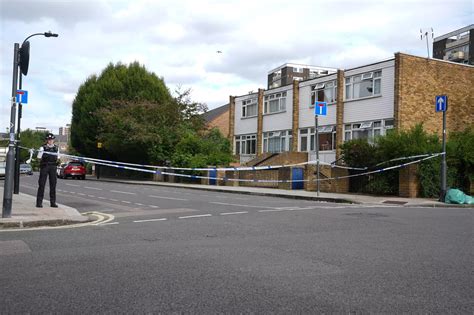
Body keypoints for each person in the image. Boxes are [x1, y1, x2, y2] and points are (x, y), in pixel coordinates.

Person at [36, 133, 59, 208]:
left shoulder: (56, 148)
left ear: (53, 140)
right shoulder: (42, 148)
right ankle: (39, 203)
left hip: (53, 167)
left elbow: (58, 158)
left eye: (51, 139)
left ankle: (53, 202)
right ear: (47, 140)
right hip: (45, 166)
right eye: (49, 140)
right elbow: (39, 157)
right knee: (42, 184)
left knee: (53, 185)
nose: (50, 141)